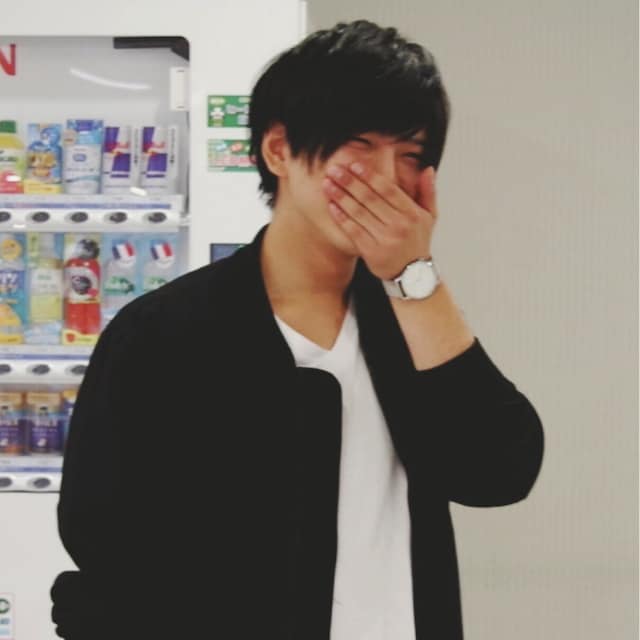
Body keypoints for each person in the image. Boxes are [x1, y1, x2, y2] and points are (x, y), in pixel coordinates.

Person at [51, 19, 544, 640]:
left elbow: (498, 473)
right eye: (359, 146)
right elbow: (104, 553)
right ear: (278, 150)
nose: (387, 179)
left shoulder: (411, 320)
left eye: (411, 156)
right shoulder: (165, 334)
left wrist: (413, 276)